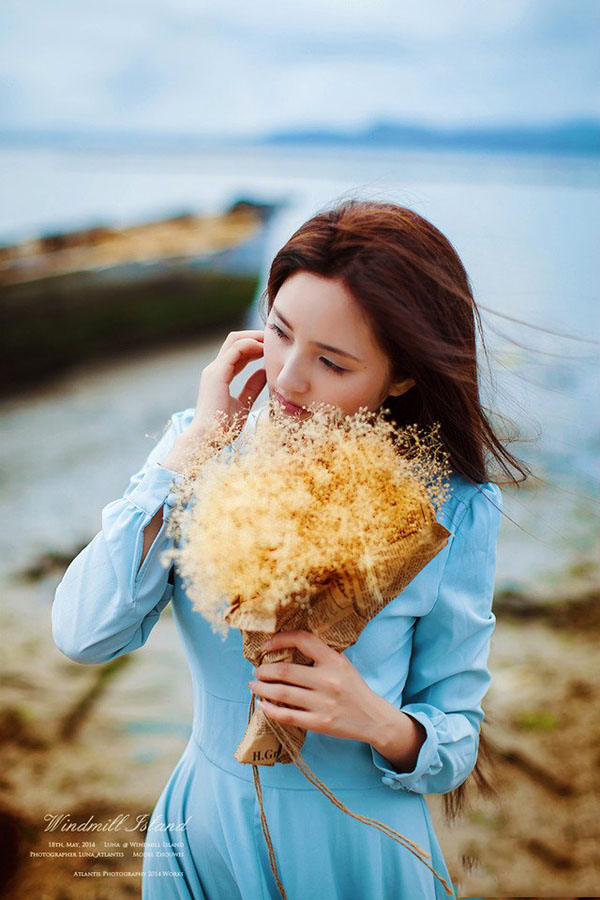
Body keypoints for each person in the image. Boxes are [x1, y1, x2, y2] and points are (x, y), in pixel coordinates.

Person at [51, 198, 528, 899]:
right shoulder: (202, 450)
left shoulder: (451, 505)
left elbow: (456, 735)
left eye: (333, 363)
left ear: (401, 376)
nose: (289, 377)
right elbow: (83, 633)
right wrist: (194, 447)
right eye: (278, 331)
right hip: (203, 837)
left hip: (359, 851)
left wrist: (378, 721)